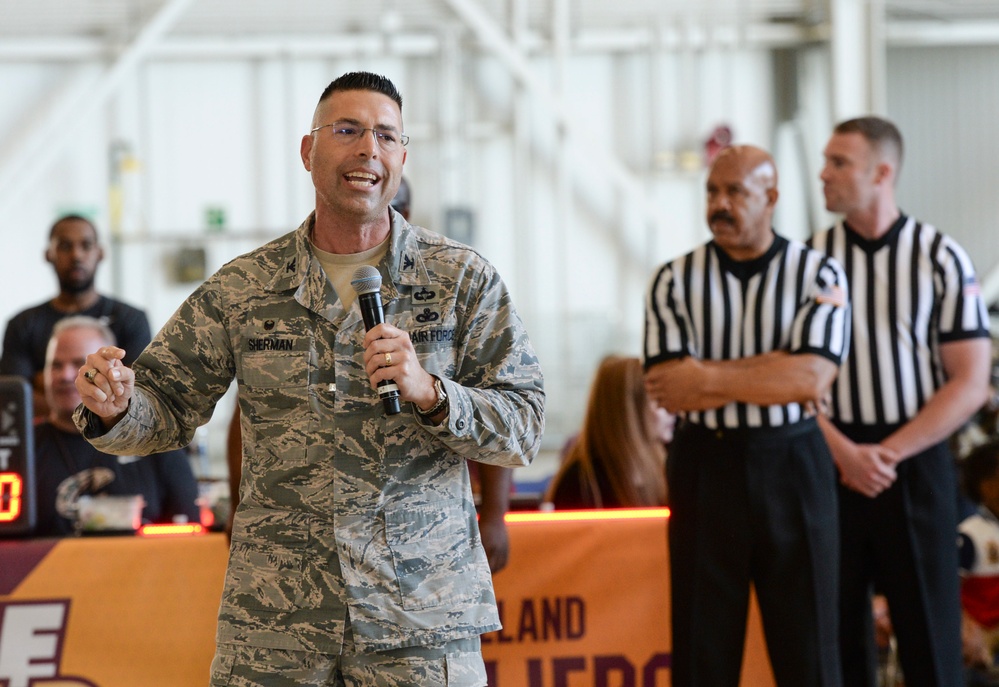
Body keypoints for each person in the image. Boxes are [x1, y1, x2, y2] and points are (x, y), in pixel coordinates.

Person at [73, 71, 545, 686]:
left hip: (418, 625)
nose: (367, 149)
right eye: (347, 130)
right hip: (277, 625)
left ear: (402, 156)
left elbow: (525, 426)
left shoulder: (460, 279)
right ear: (308, 150)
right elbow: (162, 404)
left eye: (385, 135)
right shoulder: (245, 286)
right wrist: (113, 407)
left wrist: (433, 394)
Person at [224, 174, 517, 572]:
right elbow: (250, 413)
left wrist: (495, 514)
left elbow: (509, 416)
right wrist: (237, 502)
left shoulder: (453, 282)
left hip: (420, 560)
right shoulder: (274, 282)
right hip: (299, 561)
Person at [644, 144, 850, 686]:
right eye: (713, 191)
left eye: (735, 191)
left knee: (810, 647)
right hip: (704, 464)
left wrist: (707, 375)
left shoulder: (819, 273)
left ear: (772, 197)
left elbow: (812, 377)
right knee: (701, 646)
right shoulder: (673, 279)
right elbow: (670, 389)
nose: (720, 203)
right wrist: (775, 371)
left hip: (795, 462)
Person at [809, 116, 992, 687]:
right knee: (835, 638)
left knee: (930, 637)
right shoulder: (808, 260)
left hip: (914, 461)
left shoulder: (940, 257)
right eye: (826, 161)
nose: (824, 174)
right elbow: (789, 379)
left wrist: (883, 453)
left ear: (882, 172)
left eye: (840, 163)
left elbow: (969, 380)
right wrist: (843, 452)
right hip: (830, 458)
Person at [34, 316, 199, 537]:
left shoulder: (157, 440)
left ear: (112, 371)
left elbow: (191, 530)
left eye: (79, 365)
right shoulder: (24, 448)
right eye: (55, 365)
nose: (65, 375)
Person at [0, 214, 151, 419]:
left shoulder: (131, 320)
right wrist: (98, 392)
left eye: (86, 245)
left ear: (100, 253)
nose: (76, 255)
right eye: (64, 246)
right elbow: (15, 398)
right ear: (48, 254)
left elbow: (137, 394)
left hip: (116, 441)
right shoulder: (22, 325)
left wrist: (44, 385)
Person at [544, 354, 673, 509]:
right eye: (657, 399)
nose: (671, 409)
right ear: (629, 411)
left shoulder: (667, 464)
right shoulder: (580, 483)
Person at [957, 439, 999, 684]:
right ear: (985, 485)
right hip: (979, 640)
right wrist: (967, 627)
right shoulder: (971, 535)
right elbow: (947, 586)